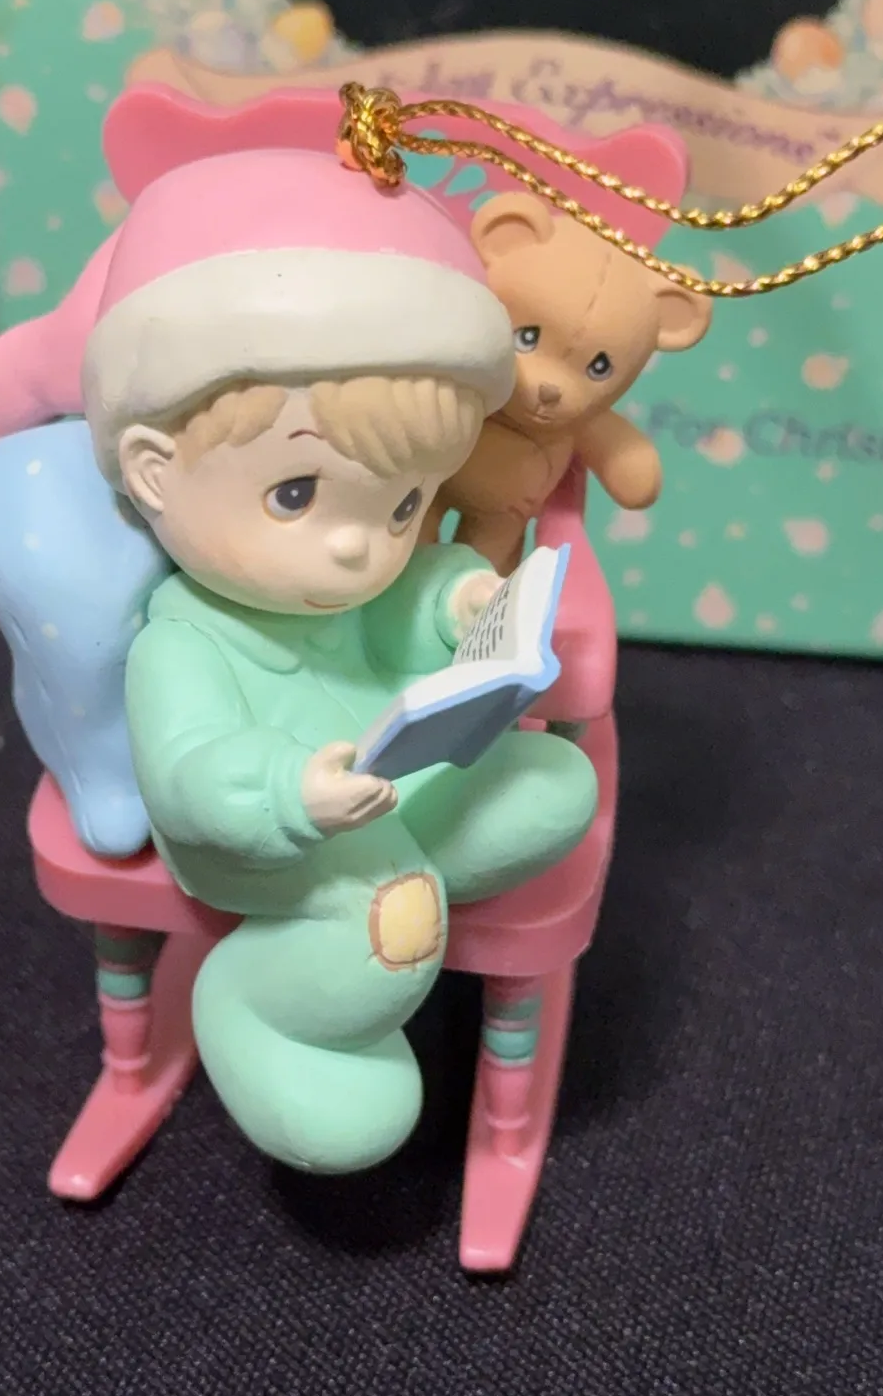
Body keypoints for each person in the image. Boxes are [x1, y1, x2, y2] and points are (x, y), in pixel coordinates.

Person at [77, 143, 598, 1174]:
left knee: (555, 782)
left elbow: (394, 608)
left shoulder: (355, 576)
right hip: (274, 842)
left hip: (383, 771)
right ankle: (262, 1008)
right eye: (294, 495)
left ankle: (409, 864)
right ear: (154, 473)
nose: (359, 546)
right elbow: (189, 771)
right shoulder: (183, 637)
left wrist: (455, 601)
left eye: (401, 504)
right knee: (383, 915)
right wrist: (288, 793)